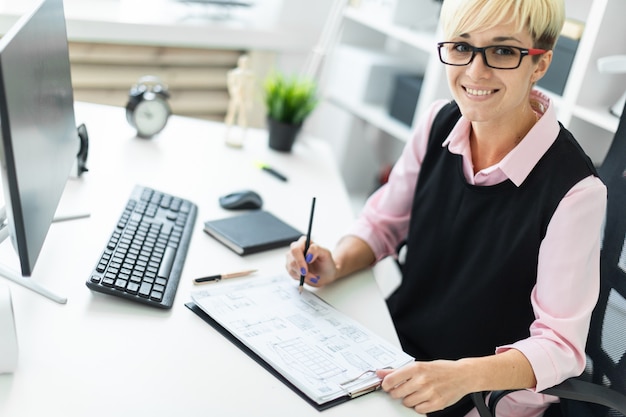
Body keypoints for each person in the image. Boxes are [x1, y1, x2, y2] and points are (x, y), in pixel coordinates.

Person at [285, 0, 607, 416]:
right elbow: (384, 224)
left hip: (483, 396)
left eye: (503, 51)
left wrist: (461, 376)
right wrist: (336, 262)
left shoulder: (575, 189)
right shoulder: (439, 122)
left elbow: (560, 346)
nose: (475, 71)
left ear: (540, 63)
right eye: (461, 47)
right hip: (400, 351)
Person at [224, 54, 255, 147]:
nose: (244, 64)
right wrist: (234, 92)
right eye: (243, 62)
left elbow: (251, 88)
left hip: (243, 99)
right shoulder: (234, 73)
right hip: (235, 97)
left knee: (243, 116)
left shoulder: (249, 76)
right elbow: (230, 84)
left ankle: (243, 135)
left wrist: (249, 100)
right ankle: (227, 132)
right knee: (231, 114)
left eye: (246, 62)